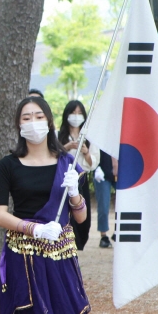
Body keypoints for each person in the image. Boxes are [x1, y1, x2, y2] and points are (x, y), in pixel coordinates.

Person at [0, 95, 94, 314]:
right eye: (26, 117)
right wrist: (32, 228)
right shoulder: (8, 164)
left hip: (61, 254)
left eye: (38, 115)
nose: (32, 121)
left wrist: (76, 194)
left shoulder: (68, 161)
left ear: (50, 121)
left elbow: (80, 218)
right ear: (18, 125)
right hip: (24, 253)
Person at [58, 100, 99, 251]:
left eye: (79, 113)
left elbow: (93, 162)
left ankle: (79, 242)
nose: (76, 116)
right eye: (73, 113)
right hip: (62, 178)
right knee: (65, 212)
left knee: (82, 213)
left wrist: (86, 152)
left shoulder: (89, 136)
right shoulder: (59, 135)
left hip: (81, 178)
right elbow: (52, 155)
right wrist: (66, 147)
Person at [94, 151, 117, 248]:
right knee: (103, 205)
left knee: (125, 204)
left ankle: (118, 231)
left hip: (121, 170)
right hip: (102, 171)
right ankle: (103, 236)